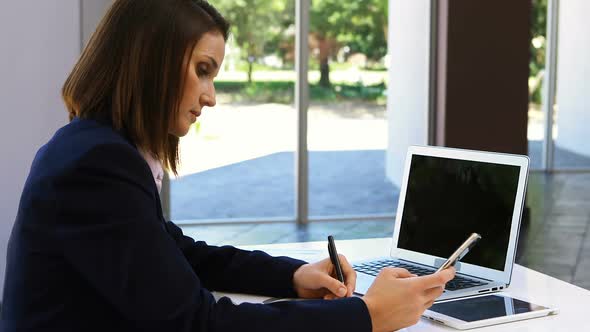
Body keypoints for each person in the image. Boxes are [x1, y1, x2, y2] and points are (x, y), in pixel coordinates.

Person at [0, 1, 455, 331]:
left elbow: (177, 252)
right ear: (150, 62)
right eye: (202, 69)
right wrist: (365, 315)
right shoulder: (95, 165)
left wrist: (291, 276)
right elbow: (197, 324)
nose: (210, 95)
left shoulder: (97, 149)